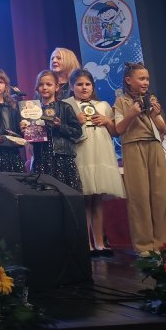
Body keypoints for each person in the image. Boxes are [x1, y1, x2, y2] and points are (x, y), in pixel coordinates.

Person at [63, 69, 124, 255]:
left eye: (87, 84)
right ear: (71, 86)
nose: (84, 88)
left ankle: (99, 242)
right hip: (82, 153)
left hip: (101, 153)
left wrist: (107, 121)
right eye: (79, 84)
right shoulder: (66, 105)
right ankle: (86, 243)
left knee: (97, 200)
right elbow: (63, 130)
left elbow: (115, 132)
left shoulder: (103, 105)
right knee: (84, 200)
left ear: (92, 86)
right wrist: (76, 121)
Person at [114, 61, 166, 255]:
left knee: (160, 195)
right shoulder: (121, 101)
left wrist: (155, 115)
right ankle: (144, 245)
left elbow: (163, 128)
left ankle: (162, 243)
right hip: (133, 147)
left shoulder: (151, 99)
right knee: (139, 196)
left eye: (147, 79)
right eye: (141, 78)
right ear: (129, 80)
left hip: (154, 145)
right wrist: (131, 114)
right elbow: (118, 129)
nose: (146, 82)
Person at [25, 69, 83, 191]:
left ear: (56, 87)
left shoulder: (65, 107)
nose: (44, 87)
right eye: (41, 84)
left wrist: (60, 126)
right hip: (41, 159)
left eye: (49, 84)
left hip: (62, 158)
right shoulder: (31, 110)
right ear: (37, 88)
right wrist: (25, 130)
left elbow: (77, 132)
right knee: (43, 195)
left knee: (65, 192)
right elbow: (30, 137)